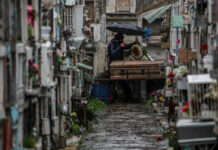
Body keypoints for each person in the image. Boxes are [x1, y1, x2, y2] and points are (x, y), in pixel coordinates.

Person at [108, 33, 137, 102]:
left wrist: (134, 43)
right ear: (118, 40)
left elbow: (126, 46)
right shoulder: (112, 44)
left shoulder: (118, 43)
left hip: (120, 66)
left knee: (124, 83)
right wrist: (120, 46)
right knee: (118, 83)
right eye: (121, 40)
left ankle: (129, 99)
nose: (122, 41)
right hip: (114, 67)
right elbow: (113, 53)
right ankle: (126, 99)